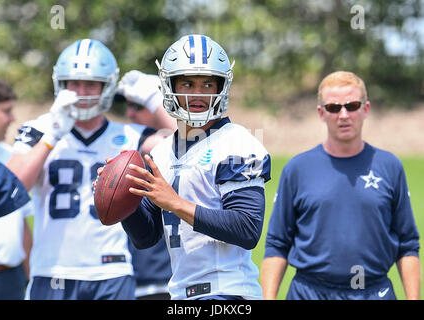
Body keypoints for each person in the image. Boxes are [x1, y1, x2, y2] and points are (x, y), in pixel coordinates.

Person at [7, 39, 164, 300]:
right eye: (73, 83)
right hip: (52, 270)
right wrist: (52, 135)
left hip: (111, 271)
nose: (81, 92)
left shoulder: (130, 135)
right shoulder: (40, 128)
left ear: (107, 86)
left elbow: (185, 144)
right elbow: (11, 189)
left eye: (91, 84)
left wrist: (155, 100)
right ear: (61, 83)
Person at [117, 34, 271, 300]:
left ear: (220, 87)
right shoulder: (161, 152)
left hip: (229, 293)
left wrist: (175, 204)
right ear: (169, 85)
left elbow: (247, 228)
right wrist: (122, 199)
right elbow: (146, 238)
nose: (197, 94)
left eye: (207, 84)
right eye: (187, 83)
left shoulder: (237, 143)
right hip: (181, 294)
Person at [261, 71, 421, 300]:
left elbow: (407, 244)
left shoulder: (390, 166)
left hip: (374, 292)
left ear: (365, 109)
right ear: (321, 113)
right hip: (309, 293)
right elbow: (277, 243)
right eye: (334, 107)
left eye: (352, 105)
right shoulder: (297, 169)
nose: (343, 115)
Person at [116, 71, 174, 300]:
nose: (130, 113)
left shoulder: (174, 149)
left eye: (139, 106)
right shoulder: (128, 139)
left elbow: (188, 142)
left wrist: (155, 100)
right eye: (129, 106)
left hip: (161, 277)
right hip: (123, 275)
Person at [0, 79, 32, 300]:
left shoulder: (14, 157)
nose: (12, 119)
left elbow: (23, 226)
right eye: (5, 111)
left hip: (11, 278)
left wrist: (29, 278)